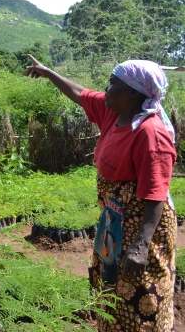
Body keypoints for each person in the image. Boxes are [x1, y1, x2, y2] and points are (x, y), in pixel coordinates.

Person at [26, 55, 177, 331]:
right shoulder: (114, 112)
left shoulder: (149, 132)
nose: (106, 89)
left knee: (141, 296)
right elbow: (80, 93)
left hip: (143, 227)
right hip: (115, 219)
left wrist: (140, 247)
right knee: (109, 289)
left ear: (133, 93)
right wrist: (49, 73)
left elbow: (155, 194)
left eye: (112, 83)